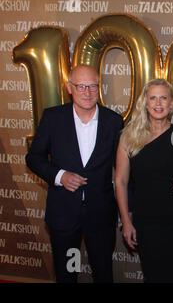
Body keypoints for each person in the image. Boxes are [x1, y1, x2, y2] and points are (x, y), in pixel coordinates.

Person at [25, 65, 124, 283]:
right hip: (64, 214)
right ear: (69, 88)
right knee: (67, 273)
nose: (87, 92)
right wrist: (60, 176)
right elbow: (33, 158)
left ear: (99, 88)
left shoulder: (113, 122)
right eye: (81, 86)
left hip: (101, 215)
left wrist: (129, 212)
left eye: (92, 86)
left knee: (103, 273)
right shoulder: (53, 118)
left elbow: (126, 171)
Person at [115, 79, 173, 283]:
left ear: (171, 104)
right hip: (146, 220)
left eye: (163, 98)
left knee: (171, 276)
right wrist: (125, 220)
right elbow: (121, 181)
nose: (158, 104)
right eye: (153, 98)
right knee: (153, 276)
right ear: (145, 102)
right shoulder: (129, 135)